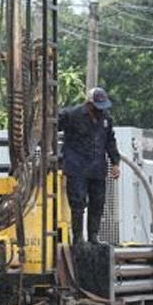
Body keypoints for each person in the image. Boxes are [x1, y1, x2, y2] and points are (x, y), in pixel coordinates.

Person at [57, 86, 122, 243]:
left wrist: (115, 162)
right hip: (76, 166)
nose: (100, 111)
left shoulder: (106, 119)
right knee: (78, 202)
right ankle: (78, 238)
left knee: (98, 202)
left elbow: (110, 141)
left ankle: (93, 236)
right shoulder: (71, 115)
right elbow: (50, 126)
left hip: (97, 168)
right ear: (89, 104)